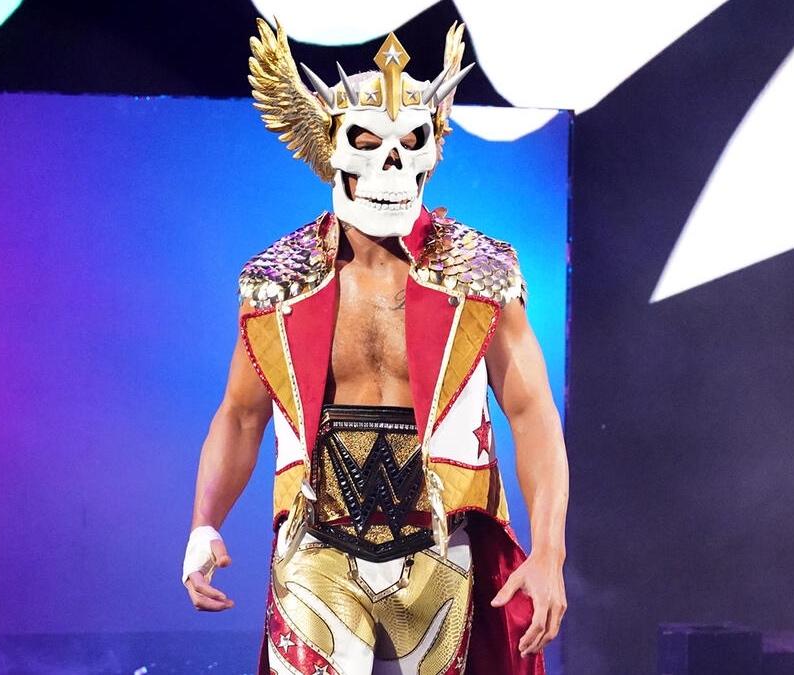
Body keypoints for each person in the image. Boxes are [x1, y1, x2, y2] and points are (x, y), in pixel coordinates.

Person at [182, 18, 569, 675]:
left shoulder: (482, 271)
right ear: (332, 148)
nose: (392, 161)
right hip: (317, 547)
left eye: (412, 141)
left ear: (433, 146)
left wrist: (550, 552)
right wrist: (202, 523)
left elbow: (532, 414)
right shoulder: (279, 278)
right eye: (369, 140)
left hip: (442, 546)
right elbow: (241, 414)